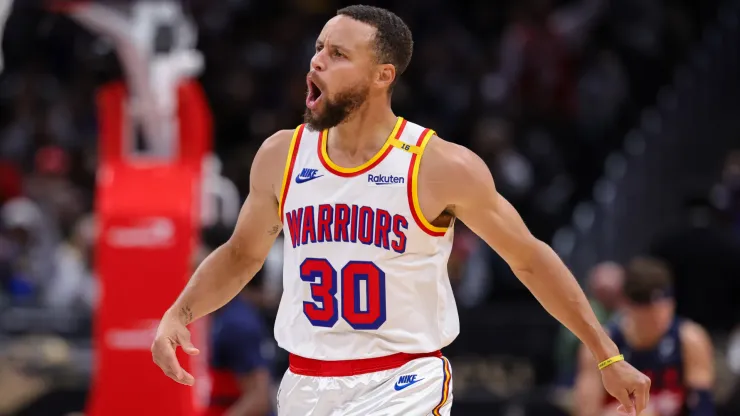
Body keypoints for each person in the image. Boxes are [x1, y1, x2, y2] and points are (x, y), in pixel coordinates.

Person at [151, 5, 650, 415]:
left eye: (339, 54)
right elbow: (241, 256)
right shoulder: (281, 155)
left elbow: (530, 259)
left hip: (402, 382)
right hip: (304, 383)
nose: (317, 61)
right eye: (319, 47)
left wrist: (608, 356)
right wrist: (180, 311)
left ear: (382, 76)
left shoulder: (440, 165)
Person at [574, 257, 715, 416]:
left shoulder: (689, 339)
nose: (659, 319)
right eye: (649, 316)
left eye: (664, 310)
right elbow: (586, 411)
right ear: (627, 305)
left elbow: (703, 407)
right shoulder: (601, 345)